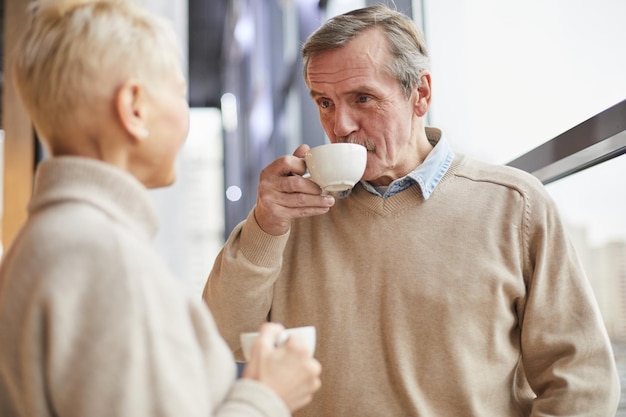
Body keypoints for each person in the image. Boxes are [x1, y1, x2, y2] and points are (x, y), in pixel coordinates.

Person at [203, 4, 620, 416]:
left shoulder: (515, 206)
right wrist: (265, 225)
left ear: (420, 94)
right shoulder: (290, 214)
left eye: (362, 98)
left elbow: (581, 383)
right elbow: (223, 338)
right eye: (325, 102)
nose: (339, 124)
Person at [0, 1, 321, 416]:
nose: (184, 113)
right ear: (135, 107)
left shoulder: (42, 243)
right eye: (179, 92)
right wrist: (267, 395)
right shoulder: (103, 256)